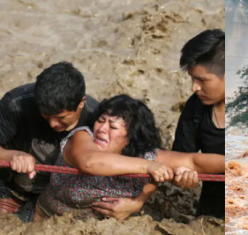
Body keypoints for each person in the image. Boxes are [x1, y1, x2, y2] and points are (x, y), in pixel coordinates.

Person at [35, 95, 225, 220]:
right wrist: (148, 167)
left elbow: (194, 161)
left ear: (131, 137)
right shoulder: (81, 137)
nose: (101, 129)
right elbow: (90, 163)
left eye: (113, 127)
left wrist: (244, 164)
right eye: (100, 121)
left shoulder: (147, 155)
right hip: (44, 224)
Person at [0, 61, 99, 221]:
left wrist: (134, 202)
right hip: (9, 184)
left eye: (61, 117)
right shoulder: (16, 103)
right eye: (45, 116)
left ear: (81, 103)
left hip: (53, 197)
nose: (53, 124)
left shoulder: (98, 119)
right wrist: (11, 155)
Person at [171, 29, 225, 219]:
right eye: (192, 79)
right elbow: (179, 158)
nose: (195, 87)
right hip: (212, 214)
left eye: (202, 80)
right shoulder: (195, 106)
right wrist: (181, 175)